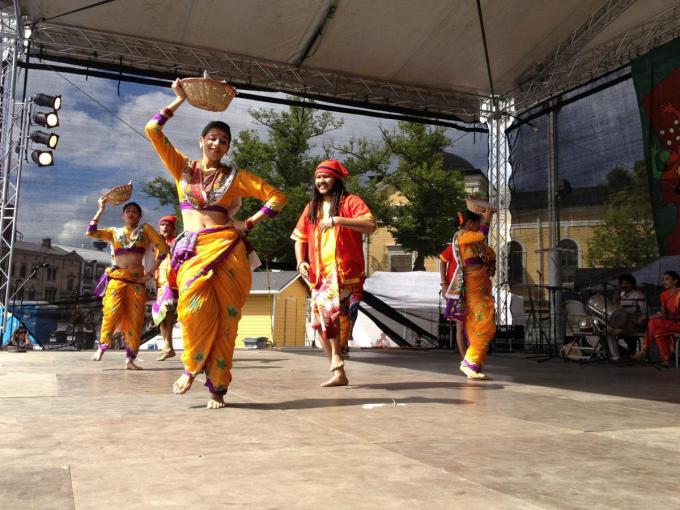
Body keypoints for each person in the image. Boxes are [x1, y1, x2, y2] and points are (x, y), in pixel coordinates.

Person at [145, 79, 287, 409]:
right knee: (193, 311)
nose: (218, 144)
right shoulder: (182, 168)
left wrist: (249, 222)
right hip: (194, 250)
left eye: (224, 141)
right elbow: (152, 130)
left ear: (227, 147)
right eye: (212, 138)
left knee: (227, 319)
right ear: (201, 141)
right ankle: (192, 368)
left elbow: (277, 197)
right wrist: (178, 100)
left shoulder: (236, 177)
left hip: (228, 249)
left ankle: (217, 388)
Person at [292, 159, 376, 387]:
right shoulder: (312, 208)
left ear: (336, 180)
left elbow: (370, 224)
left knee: (327, 312)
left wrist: (337, 220)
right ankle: (338, 372)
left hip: (343, 271)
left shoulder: (350, 202)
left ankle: (338, 359)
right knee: (318, 323)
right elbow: (299, 238)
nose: (321, 181)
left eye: (326, 177)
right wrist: (301, 262)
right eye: (318, 177)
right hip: (319, 274)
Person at [87, 200, 169, 369]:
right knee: (112, 312)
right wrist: (100, 209)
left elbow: (164, 249)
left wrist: (150, 273)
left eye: (134, 211)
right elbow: (91, 232)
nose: (131, 214)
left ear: (139, 216)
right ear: (123, 215)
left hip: (137, 281)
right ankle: (102, 347)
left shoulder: (145, 230)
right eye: (128, 211)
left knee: (135, 319)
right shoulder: (114, 232)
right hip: (117, 279)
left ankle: (130, 359)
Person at [444, 208, 496, 379]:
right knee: (485, 326)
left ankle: (476, 366)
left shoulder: (474, 242)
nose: (478, 225)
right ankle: (469, 361)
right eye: (477, 222)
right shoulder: (461, 235)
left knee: (477, 326)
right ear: (469, 223)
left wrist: (490, 262)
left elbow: (490, 252)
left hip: (482, 286)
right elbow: (482, 235)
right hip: (473, 287)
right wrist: (487, 219)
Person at [633, 270, 680, 366]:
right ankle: (667, 359)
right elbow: (664, 315)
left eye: (667, 279)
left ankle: (644, 350)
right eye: (664, 279)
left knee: (653, 323)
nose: (664, 282)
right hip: (670, 323)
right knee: (658, 332)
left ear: (675, 281)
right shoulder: (663, 295)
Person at [152, 215, 179, 361]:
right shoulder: (155, 245)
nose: (164, 227)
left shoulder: (176, 241)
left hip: (173, 282)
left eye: (168, 225)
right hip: (159, 283)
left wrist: (166, 247)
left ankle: (168, 344)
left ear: (173, 228)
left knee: (167, 310)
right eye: (162, 225)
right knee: (159, 316)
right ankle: (167, 347)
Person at [606, 273, 647, 361]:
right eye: (622, 283)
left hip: (634, 323)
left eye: (627, 283)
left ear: (632, 284)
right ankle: (616, 356)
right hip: (621, 322)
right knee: (607, 331)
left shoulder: (638, 295)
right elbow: (614, 311)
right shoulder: (619, 295)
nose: (624, 285)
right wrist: (616, 298)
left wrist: (637, 321)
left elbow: (644, 313)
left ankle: (628, 354)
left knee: (612, 331)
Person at [439, 240, 466, 357]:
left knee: (472, 325)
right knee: (460, 324)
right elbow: (442, 261)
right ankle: (466, 359)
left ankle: (472, 356)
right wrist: (443, 283)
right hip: (456, 286)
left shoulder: (478, 247)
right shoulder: (456, 246)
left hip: (473, 287)